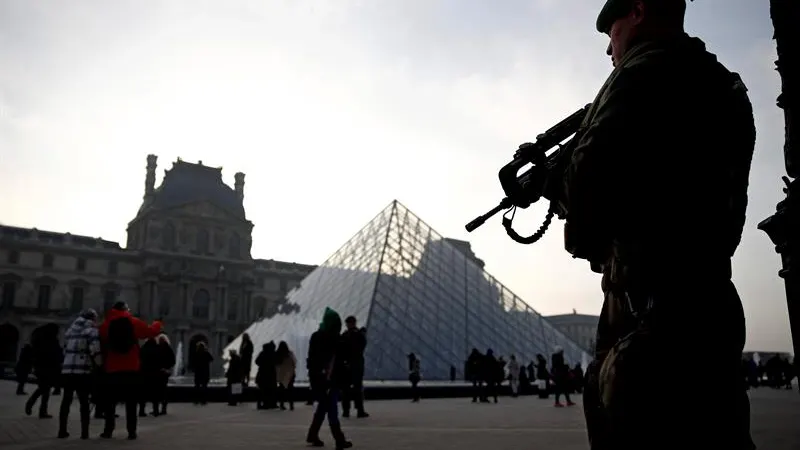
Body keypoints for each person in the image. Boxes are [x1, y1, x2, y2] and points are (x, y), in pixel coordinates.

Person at [552, 1, 757, 448]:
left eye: (612, 31)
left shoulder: (638, 73)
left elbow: (587, 202)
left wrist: (560, 188)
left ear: (639, 11)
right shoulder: (726, 86)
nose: (610, 48)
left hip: (647, 319)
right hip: (710, 303)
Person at [98, 301, 162, 440]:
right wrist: (158, 323)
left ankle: (108, 430)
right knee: (131, 402)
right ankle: (131, 431)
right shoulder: (133, 322)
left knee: (110, 402)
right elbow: (150, 332)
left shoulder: (105, 325)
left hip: (112, 368)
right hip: (131, 367)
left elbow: (101, 340)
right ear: (126, 309)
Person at [305, 307, 352, 449]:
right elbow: (344, 356)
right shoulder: (334, 339)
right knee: (331, 408)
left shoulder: (316, 336)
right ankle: (339, 439)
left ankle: (312, 435)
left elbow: (312, 360)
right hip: (330, 378)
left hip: (318, 378)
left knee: (323, 407)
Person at [58, 309, 102, 439]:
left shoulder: (70, 331)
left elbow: (65, 350)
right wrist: (100, 365)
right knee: (84, 402)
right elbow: (95, 351)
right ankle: (84, 432)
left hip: (67, 370)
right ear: (92, 318)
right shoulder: (91, 331)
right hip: (82, 370)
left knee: (66, 400)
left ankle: (62, 430)